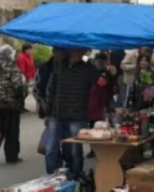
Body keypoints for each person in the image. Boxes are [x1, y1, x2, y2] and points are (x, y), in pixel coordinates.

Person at [46, 48, 99, 177]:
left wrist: (110, 74)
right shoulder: (58, 66)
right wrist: (48, 113)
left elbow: (103, 83)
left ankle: (76, 177)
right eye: (75, 51)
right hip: (57, 114)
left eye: (80, 52)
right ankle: (53, 178)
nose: (77, 54)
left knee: (75, 151)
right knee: (51, 149)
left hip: (77, 116)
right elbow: (50, 90)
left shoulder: (88, 69)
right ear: (69, 51)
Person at [0, 44, 25, 166]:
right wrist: (21, 98)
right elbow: (18, 86)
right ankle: (12, 156)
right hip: (11, 103)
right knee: (12, 131)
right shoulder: (12, 68)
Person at [16, 43, 36, 112]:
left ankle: (21, 106)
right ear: (25, 49)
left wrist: (34, 76)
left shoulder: (30, 56)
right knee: (22, 92)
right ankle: (20, 106)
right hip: (23, 77)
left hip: (29, 77)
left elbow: (32, 67)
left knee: (26, 92)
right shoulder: (21, 57)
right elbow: (22, 68)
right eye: (29, 49)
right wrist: (23, 77)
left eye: (31, 49)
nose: (30, 51)